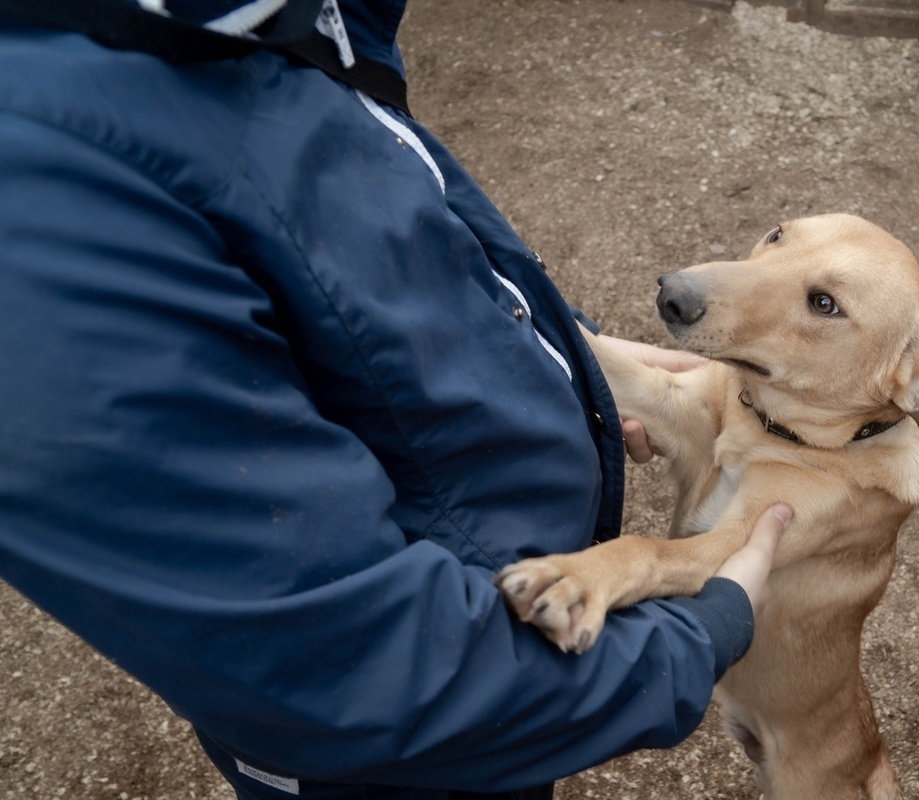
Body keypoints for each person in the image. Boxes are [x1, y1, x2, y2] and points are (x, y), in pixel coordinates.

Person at [0, 2, 791, 799]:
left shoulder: (250, 19)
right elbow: (341, 664)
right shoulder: (43, 196)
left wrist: (555, 351)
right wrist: (696, 636)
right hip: (419, 747)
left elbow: (362, 236)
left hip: (507, 656)